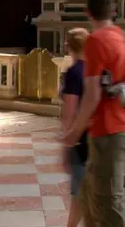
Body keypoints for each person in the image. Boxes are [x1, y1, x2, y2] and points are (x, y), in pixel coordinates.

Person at [63, 0, 125, 227]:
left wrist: (74, 132)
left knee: (109, 202)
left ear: (87, 12)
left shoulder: (96, 40)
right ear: (114, 10)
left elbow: (91, 94)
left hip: (108, 131)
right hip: (114, 128)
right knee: (90, 197)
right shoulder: (119, 36)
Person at [62, 27, 91, 227]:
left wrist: (67, 144)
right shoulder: (96, 69)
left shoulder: (73, 72)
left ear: (68, 47)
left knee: (79, 192)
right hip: (98, 135)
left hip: (80, 138)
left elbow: (70, 112)